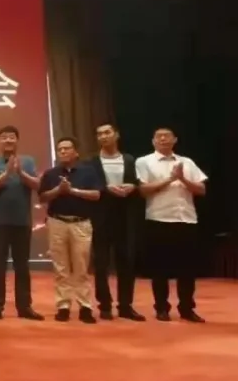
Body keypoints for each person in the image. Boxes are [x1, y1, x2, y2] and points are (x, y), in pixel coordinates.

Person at [135, 127, 208, 323]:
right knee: (159, 268)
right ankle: (161, 308)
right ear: (153, 141)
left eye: (167, 136)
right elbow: (143, 190)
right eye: (159, 136)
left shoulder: (187, 162)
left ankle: (187, 308)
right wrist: (170, 179)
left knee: (187, 269)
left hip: (186, 219)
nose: (163, 139)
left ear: (175, 140)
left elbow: (201, 189)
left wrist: (182, 178)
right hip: (159, 219)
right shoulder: (144, 161)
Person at [0, 126, 44, 321]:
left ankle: (24, 307)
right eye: (4, 137)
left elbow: (37, 185)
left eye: (11, 137)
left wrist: (21, 173)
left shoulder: (28, 161)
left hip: (22, 221)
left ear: (17, 140)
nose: (8, 140)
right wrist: (7, 173)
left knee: (22, 265)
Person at [39, 137, 101, 323]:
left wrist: (73, 191)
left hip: (81, 223)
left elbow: (96, 194)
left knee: (81, 266)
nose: (63, 152)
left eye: (67, 148)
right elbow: (42, 197)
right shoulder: (51, 174)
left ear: (76, 152)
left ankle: (85, 306)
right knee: (61, 267)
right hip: (57, 222)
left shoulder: (88, 171)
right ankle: (63, 305)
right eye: (60, 149)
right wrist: (58, 190)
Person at [89, 122, 145, 321]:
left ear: (116, 135)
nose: (103, 136)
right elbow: (90, 185)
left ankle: (125, 305)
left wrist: (133, 187)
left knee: (126, 262)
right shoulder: (92, 162)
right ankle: (104, 305)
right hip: (101, 217)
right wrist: (106, 188)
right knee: (101, 263)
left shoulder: (129, 160)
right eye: (99, 134)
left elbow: (140, 183)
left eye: (107, 132)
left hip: (125, 216)